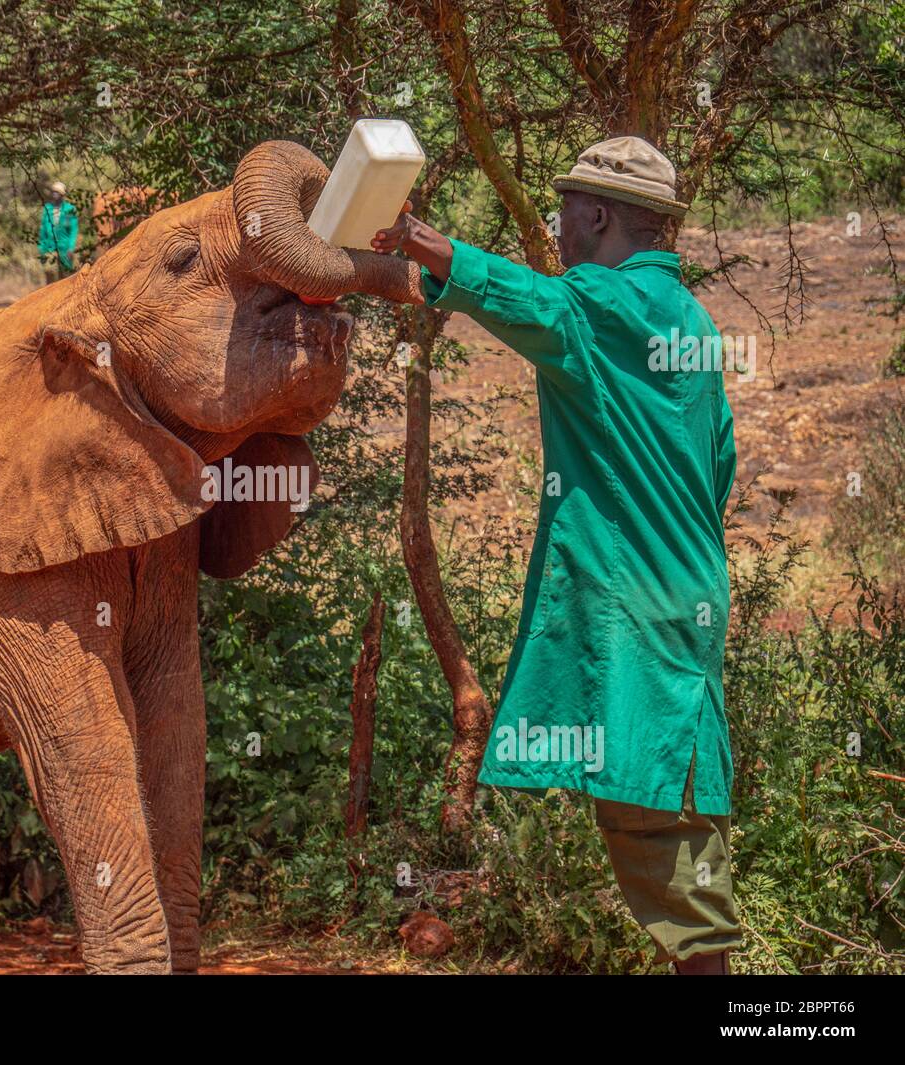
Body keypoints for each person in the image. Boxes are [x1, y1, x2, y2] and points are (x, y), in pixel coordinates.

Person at [373, 136, 741, 975]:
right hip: (685, 608)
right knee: (670, 839)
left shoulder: (605, 305)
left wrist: (427, 244)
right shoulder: (694, 323)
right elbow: (717, 467)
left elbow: (540, 304)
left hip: (644, 634)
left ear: (602, 215)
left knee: (680, 878)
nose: (561, 227)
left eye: (568, 211)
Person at [37, 180, 79, 284]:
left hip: (65, 249)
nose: (54, 194)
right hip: (50, 248)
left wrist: (71, 248)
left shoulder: (70, 209)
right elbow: (43, 230)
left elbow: (73, 230)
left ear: (62, 195)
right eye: (53, 192)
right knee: (50, 275)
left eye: (57, 192)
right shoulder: (48, 208)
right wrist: (42, 249)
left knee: (66, 278)